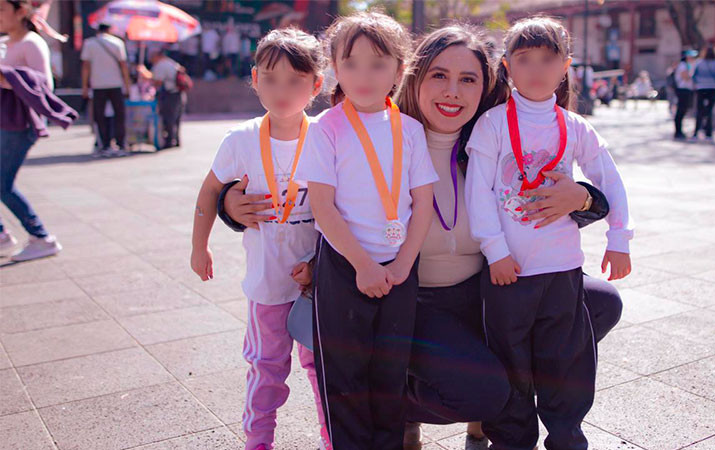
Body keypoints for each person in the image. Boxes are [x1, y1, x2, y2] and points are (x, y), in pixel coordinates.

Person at [220, 23, 626, 450]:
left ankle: (490, 400)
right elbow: (304, 192)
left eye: (468, 79)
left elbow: (540, 207)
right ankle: (404, 407)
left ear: (487, 85)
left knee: (598, 303)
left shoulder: (491, 137)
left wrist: (583, 198)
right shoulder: (388, 132)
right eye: (439, 75)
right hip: (410, 303)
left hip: (479, 295)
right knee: (482, 389)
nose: (453, 91)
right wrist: (229, 205)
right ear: (412, 74)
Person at [465, 16, 632, 450]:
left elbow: (609, 182)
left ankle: (566, 435)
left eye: (547, 59)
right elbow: (478, 193)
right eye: (524, 59)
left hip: (563, 270)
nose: (536, 69)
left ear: (566, 67)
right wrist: (495, 250)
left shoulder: (576, 127)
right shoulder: (493, 124)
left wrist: (619, 239)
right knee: (510, 363)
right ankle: (512, 441)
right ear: (507, 67)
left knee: (568, 362)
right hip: (509, 273)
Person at [293, 11, 438, 448]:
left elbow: (424, 203)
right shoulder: (326, 130)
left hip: (400, 269)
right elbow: (323, 207)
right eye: (350, 62)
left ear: (400, 68)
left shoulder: (410, 130)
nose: (363, 75)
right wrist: (363, 265)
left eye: (378, 63)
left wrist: (401, 265)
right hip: (343, 267)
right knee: (345, 377)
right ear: (334, 67)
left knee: (390, 374)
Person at [189, 28, 330, 450]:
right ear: (254, 78)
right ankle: (257, 441)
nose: (281, 90)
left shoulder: (327, 134)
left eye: (294, 80)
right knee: (266, 369)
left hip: (318, 286)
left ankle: (333, 438)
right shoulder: (241, 139)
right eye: (270, 78)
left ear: (316, 84)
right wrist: (200, 245)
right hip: (267, 286)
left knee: (322, 369)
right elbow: (210, 191)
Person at [0, 0, 64, 261]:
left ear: (21, 11)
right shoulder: (5, 42)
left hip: (21, 124)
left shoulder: (31, 43)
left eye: (2, 9)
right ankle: (3, 236)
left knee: (3, 185)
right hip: (6, 121)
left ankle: (41, 237)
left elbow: (43, 86)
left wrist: (5, 78)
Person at [81, 21, 130, 156]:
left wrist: (85, 86)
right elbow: (123, 66)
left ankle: (104, 144)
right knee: (119, 115)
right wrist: (127, 85)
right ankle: (120, 144)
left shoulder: (89, 43)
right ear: (110, 29)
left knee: (99, 116)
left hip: (98, 84)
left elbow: (86, 67)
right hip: (116, 84)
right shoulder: (117, 43)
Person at [138, 49, 184, 148]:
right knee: (176, 118)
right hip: (178, 93)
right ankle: (176, 139)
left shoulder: (161, 65)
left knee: (168, 118)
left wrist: (145, 74)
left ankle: (169, 141)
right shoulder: (171, 62)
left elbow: (158, 81)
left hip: (169, 94)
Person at [691, 46, 715, 141]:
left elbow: (693, 76)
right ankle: (708, 132)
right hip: (713, 88)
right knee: (710, 110)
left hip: (701, 88)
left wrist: (697, 84)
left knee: (699, 110)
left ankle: (696, 131)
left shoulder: (699, 62)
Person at [673, 49, 697, 139]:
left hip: (686, 89)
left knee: (683, 110)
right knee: (680, 110)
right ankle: (678, 131)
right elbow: (685, 77)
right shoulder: (683, 65)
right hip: (683, 90)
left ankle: (679, 130)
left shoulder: (687, 65)